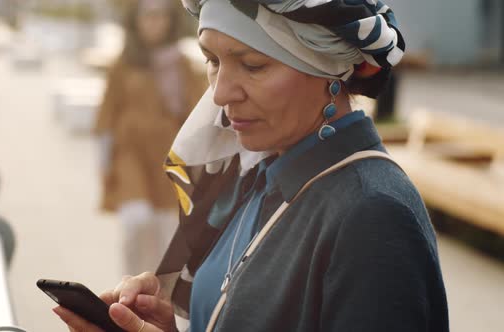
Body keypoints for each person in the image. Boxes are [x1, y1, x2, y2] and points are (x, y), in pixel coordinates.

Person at [56, 1, 450, 331]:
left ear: (327, 70)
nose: (221, 92)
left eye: (253, 65)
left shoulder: (372, 215)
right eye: (212, 60)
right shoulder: (260, 174)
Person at [92, 0, 206, 275]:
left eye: (160, 16)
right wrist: (104, 162)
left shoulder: (182, 64)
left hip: (169, 158)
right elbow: (107, 113)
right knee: (136, 222)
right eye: (148, 16)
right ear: (137, 20)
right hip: (130, 156)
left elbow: (197, 115)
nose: (154, 22)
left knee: (168, 231)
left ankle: (155, 295)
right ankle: (128, 284)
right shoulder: (123, 62)